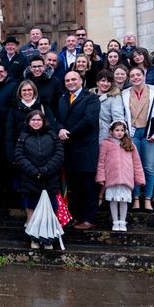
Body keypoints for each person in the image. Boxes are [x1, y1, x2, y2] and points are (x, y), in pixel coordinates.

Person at [52, 70, 100, 230]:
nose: (70, 82)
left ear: (81, 80)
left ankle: (89, 218)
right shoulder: (63, 98)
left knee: (88, 185)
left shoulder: (91, 98)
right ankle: (77, 217)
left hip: (85, 149)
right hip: (68, 149)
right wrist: (59, 130)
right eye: (67, 80)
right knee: (75, 186)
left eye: (73, 79)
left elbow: (89, 120)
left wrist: (69, 133)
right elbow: (57, 119)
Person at [14, 110, 64, 248]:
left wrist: (46, 169)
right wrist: (33, 171)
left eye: (38, 120)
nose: (36, 122)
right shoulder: (23, 137)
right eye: (33, 120)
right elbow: (19, 156)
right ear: (28, 122)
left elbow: (59, 154)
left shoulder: (52, 136)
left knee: (50, 210)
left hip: (50, 179)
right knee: (31, 209)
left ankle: (48, 239)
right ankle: (34, 238)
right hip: (30, 179)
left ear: (43, 121)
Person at [122, 67, 154, 212]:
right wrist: (126, 134)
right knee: (134, 167)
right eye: (132, 76)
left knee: (148, 168)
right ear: (129, 78)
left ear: (144, 76)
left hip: (149, 135)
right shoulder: (124, 94)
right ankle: (136, 198)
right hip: (133, 134)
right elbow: (122, 115)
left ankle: (147, 199)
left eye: (138, 75)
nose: (135, 77)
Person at [96, 120, 145, 232]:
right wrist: (101, 177)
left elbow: (137, 163)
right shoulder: (105, 144)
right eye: (117, 130)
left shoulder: (130, 144)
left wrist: (139, 178)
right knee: (113, 200)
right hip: (112, 177)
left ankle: (122, 222)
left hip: (126, 178)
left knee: (124, 200)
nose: (119, 132)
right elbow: (101, 162)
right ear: (111, 131)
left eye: (122, 130)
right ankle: (115, 222)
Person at [5, 80, 54, 164]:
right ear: (20, 92)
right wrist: (11, 155)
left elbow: (51, 127)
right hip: (21, 151)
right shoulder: (14, 108)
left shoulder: (43, 106)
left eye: (29, 90)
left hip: (41, 150)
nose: (27, 92)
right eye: (24, 90)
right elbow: (9, 133)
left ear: (34, 91)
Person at [92, 70, 125, 142]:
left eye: (108, 81)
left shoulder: (114, 97)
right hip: (89, 134)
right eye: (103, 81)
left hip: (105, 135)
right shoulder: (89, 95)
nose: (105, 84)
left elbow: (118, 118)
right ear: (97, 82)